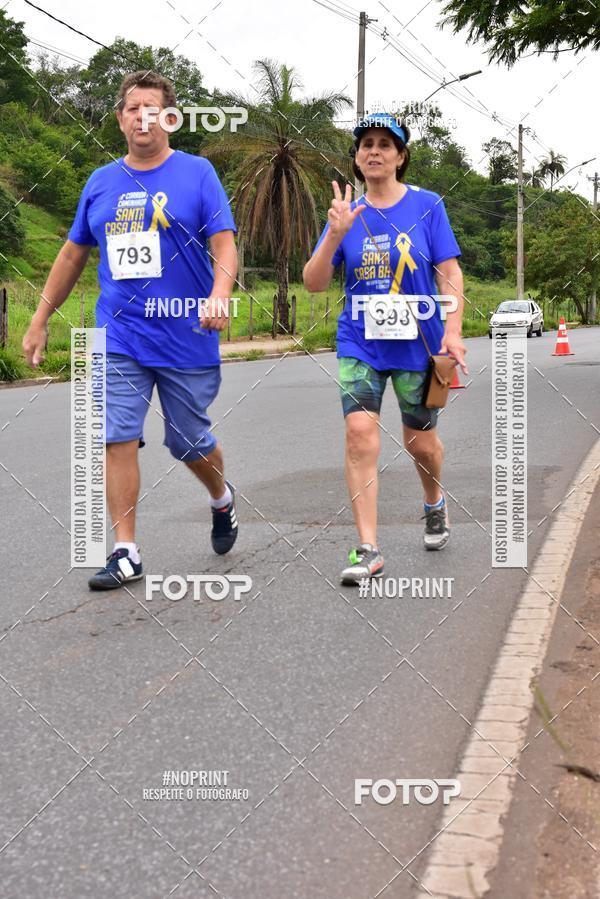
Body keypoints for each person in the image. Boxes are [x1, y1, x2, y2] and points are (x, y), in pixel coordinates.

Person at [22, 71, 239, 590]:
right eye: (131, 108)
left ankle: (221, 498)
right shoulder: (100, 182)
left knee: (188, 442)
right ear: (120, 119)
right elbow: (74, 252)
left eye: (152, 108)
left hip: (186, 331)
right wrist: (39, 318)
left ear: (169, 118)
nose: (141, 117)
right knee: (116, 435)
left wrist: (219, 294)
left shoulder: (198, 173)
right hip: (119, 334)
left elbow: (225, 245)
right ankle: (125, 551)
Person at [303, 113, 467, 585]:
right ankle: (368, 547)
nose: (374, 151)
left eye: (384, 144)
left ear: (400, 156)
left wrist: (452, 330)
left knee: (421, 442)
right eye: (365, 145)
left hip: (420, 344)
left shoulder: (428, 206)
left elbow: (449, 273)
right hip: (360, 342)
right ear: (356, 158)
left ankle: (434, 502)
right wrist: (334, 234)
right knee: (359, 434)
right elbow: (313, 283)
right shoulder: (346, 215)